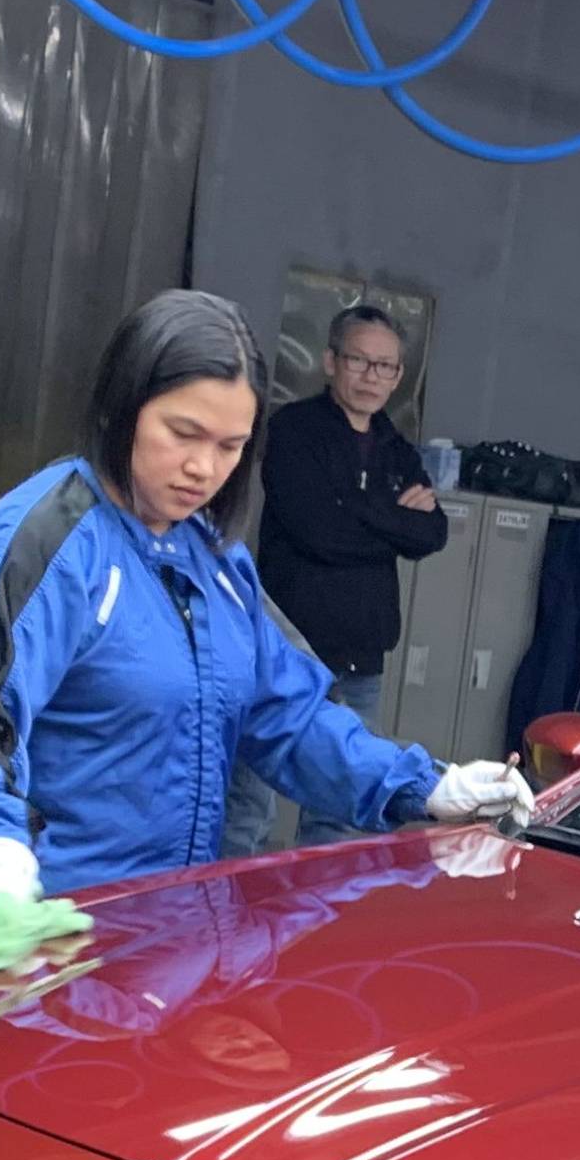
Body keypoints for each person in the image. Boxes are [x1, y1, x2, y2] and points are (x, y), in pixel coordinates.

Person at [0, 289, 526, 963]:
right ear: (123, 407)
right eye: (183, 434)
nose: (204, 469)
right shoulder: (51, 538)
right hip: (56, 935)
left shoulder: (215, 557)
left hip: (174, 935)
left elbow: (288, 714)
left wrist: (426, 785)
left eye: (231, 446)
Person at [249, 302, 451, 848]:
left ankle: (318, 905)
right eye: (359, 361)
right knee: (249, 808)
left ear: (399, 376)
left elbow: (432, 534)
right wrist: (392, 518)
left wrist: (354, 507)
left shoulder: (395, 449)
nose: (371, 376)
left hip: (361, 658)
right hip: (286, 652)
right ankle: (227, 902)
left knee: (340, 811)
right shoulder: (294, 430)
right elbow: (318, 532)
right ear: (331, 361)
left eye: (385, 366)